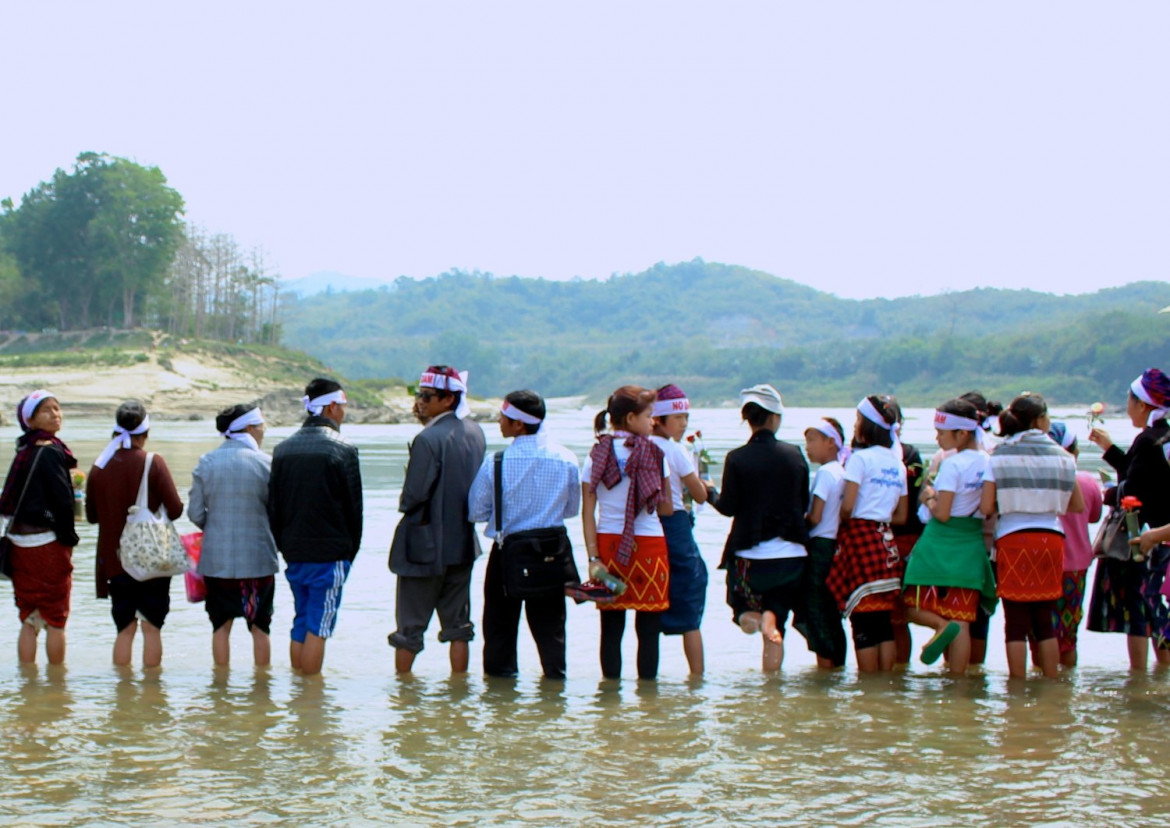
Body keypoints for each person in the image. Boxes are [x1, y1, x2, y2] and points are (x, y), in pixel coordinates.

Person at [467, 390, 579, 679]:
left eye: (503, 417)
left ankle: (500, 703)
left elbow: (476, 511)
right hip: (552, 553)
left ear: (518, 425)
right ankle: (554, 697)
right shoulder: (566, 458)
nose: (499, 421)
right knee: (552, 634)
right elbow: (571, 509)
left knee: (499, 631)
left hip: (508, 552)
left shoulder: (496, 462)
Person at [389, 365, 486, 674]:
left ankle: (402, 698)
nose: (420, 401)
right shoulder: (475, 432)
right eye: (419, 395)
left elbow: (414, 495)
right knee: (459, 626)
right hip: (462, 543)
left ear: (448, 400)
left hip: (423, 545)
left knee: (409, 630)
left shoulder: (428, 439)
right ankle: (459, 693)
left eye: (427, 396)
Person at [981, 393, 1083, 679]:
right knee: (1044, 619)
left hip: (1013, 539)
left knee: (1015, 621)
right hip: (1051, 538)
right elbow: (1076, 506)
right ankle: (1051, 682)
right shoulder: (1063, 457)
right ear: (1039, 421)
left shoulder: (999, 456)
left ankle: (1016, 687)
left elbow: (987, 507)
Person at [710, 384, 810, 672]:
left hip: (751, 561)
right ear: (775, 418)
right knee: (776, 625)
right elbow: (803, 502)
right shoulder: (794, 455)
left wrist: (711, 492)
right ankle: (772, 689)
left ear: (748, 420)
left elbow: (728, 507)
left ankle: (758, 619)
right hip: (792, 558)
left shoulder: (737, 458)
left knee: (743, 614)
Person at [268, 378, 362, 675]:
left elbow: (275, 508)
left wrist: (284, 546)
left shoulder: (283, 450)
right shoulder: (343, 448)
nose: (343, 413)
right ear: (332, 406)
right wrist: (350, 552)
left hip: (295, 551)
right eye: (343, 407)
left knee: (302, 619)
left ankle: (298, 691)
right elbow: (354, 510)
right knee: (320, 625)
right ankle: (310, 697)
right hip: (330, 553)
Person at [902, 399, 997, 675]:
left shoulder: (952, 465)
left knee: (908, 606)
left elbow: (942, 514)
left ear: (962, 434)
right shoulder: (988, 463)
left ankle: (941, 626)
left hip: (939, 543)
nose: (937, 437)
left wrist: (929, 497)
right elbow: (987, 508)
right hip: (970, 544)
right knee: (964, 617)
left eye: (942, 433)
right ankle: (958, 686)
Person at [582, 385, 671, 679]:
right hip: (649, 547)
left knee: (610, 632)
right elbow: (667, 509)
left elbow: (588, 512)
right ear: (631, 418)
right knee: (648, 633)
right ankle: (648, 704)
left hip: (608, 547)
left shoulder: (596, 455)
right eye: (649, 416)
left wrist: (593, 557)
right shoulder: (656, 454)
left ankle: (609, 706)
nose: (653, 423)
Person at [86, 400, 183, 668]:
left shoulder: (100, 467)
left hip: (116, 560)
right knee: (152, 627)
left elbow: (92, 517)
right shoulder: (154, 463)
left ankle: (123, 695)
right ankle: (152, 696)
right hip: (151, 559)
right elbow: (175, 510)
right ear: (146, 432)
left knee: (124, 629)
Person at [1087, 368, 1170, 669]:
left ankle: (1139, 679)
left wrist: (1105, 493)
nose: (1129, 407)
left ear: (1144, 405)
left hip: (1148, 537)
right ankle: (1162, 674)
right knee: (1160, 607)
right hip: (1166, 534)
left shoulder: (1148, 441)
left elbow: (1133, 490)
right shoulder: (1162, 436)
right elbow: (1145, 477)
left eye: (1130, 400)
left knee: (1141, 609)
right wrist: (1109, 449)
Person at [189, 404, 279, 667]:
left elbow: (195, 512)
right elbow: (277, 513)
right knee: (260, 627)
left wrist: (215, 527)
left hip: (217, 562)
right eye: (261, 425)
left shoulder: (206, 462)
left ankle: (220, 690)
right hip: (258, 559)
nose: (263, 431)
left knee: (220, 626)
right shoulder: (266, 463)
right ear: (249, 428)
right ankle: (262, 690)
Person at [826, 395, 909, 673]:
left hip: (860, 540)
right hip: (886, 543)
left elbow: (847, 507)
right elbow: (901, 516)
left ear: (866, 427)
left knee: (862, 618)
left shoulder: (859, 460)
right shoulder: (898, 464)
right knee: (883, 618)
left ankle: (868, 684)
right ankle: (886, 680)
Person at [0, 390, 79, 665]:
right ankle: (57, 687)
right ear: (30, 420)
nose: (56, 414)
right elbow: (61, 503)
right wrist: (68, 538)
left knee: (29, 616)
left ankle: (28, 685)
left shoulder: (25, 449)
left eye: (57, 408)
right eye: (47, 410)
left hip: (19, 545)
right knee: (56, 618)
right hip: (47, 544)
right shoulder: (50, 451)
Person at [650, 383, 715, 675]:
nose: (683, 424)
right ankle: (696, 679)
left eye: (686, 418)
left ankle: (648, 679)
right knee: (690, 595)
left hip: (647, 526)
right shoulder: (675, 450)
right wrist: (707, 486)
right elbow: (699, 495)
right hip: (675, 524)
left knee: (651, 603)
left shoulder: (640, 446)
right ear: (658, 419)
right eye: (678, 418)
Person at [1041, 422, 1102, 668]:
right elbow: (1095, 516)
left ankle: (1042, 680)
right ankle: (1065, 687)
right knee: (1068, 631)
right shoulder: (1086, 481)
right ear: (1072, 451)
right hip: (1075, 567)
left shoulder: (1038, 481)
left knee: (1042, 629)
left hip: (1042, 564)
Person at [798, 417, 849, 669]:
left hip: (819, 547)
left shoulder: (826, 473)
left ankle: (825, 668)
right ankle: (837, 665)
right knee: (832, 614)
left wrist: (795, 529)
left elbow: (815, 516)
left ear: (831, 442)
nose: (807, 447)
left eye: (812, 440)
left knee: (816, 610)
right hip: (836, 547)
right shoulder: (842, 471)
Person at [957, 391, 1002, 666]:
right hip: (992, 547)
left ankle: (955, 676)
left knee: (956, 613)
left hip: (959, 547)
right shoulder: (997, 452)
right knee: (981, 615)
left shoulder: (950, 457)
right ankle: (975, 675)